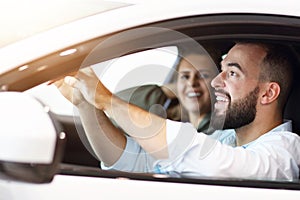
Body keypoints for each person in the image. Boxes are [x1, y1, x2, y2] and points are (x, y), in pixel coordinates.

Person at [57, 41, 300, 180]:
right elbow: (131, 162)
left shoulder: (285, 152)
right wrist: (85, 103)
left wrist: (106, 99)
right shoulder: (224, 139)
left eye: (232, 73)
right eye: (221, 70)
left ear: (268, 93)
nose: (216, 82)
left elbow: (210, 163)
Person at [115, 50, 218, 134]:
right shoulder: (174, 123)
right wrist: (165, 91)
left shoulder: (218, 130)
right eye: (185, 76)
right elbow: (114, 108)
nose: (191, 82)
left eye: (203, 76)